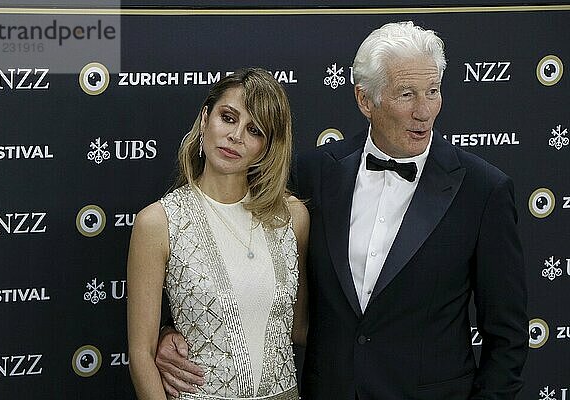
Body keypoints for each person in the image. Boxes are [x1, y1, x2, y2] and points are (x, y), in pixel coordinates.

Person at [155, 21, 528, 400]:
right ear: (365, 99)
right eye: (406, 94)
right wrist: (174, 329)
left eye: (432, 92)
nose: (424, 111)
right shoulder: (312, 175)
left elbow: (508, 336)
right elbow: (225, 250)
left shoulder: (484, 190)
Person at [127, 68, 309, 400]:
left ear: (267, 147)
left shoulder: (292, 217)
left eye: (254, 130)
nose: (236, 136)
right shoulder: (158, 222)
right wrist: (168, 333)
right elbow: (141, 356)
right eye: (228, 118)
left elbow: (302, 327)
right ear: (205, 118)